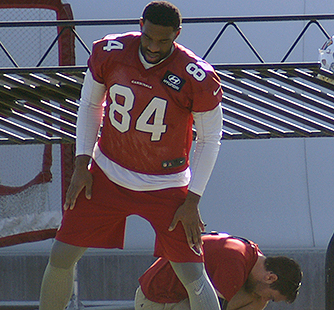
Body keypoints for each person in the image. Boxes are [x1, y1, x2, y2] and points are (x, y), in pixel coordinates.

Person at [38, 1, 224, 310]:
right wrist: (82, 163)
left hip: (166, 185)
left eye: (163, 41)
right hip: (107, 173)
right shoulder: (111, 52)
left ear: (177, 34)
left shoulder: (198, 76)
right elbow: (90, 106)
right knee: (61, 254)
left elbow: (210, 139)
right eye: (149, 37)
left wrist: (193, 200)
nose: (153, 47)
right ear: (140, 25)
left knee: (192, 272)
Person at [135, 232, 302, 310]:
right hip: (158, 300)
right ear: (270, 278)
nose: (265, 299)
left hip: (172, 292)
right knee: (256, 302)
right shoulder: (235, 266)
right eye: (271, 297)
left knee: (256, 302)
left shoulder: (250, 252)